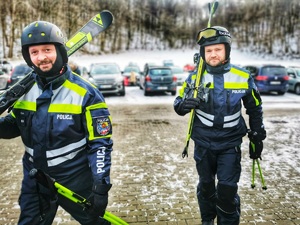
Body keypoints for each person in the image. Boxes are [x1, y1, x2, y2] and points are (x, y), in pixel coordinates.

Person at [0, 21, 113, 225]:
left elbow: (100, 144)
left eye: (47, 50)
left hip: (75, 178)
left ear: (59, 50)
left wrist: (100, 185)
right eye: (34, 52)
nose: (41, 57)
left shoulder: (86, 93)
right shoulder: (23, 92)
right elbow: (13, 125)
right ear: (28, 57)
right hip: (36, 178)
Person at [173, 26, 266, 225]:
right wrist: (183, 105)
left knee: (226, 189)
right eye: (208, 51)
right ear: (203, 54)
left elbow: (255, 108)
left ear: (227, 50)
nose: (213, 54)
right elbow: (178, 103)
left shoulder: (242, 77)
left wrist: (257, 135)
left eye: (218, 49)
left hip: (229, 145)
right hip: (204, 144)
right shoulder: (195, 78)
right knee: (206, 186)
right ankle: (207, 220)